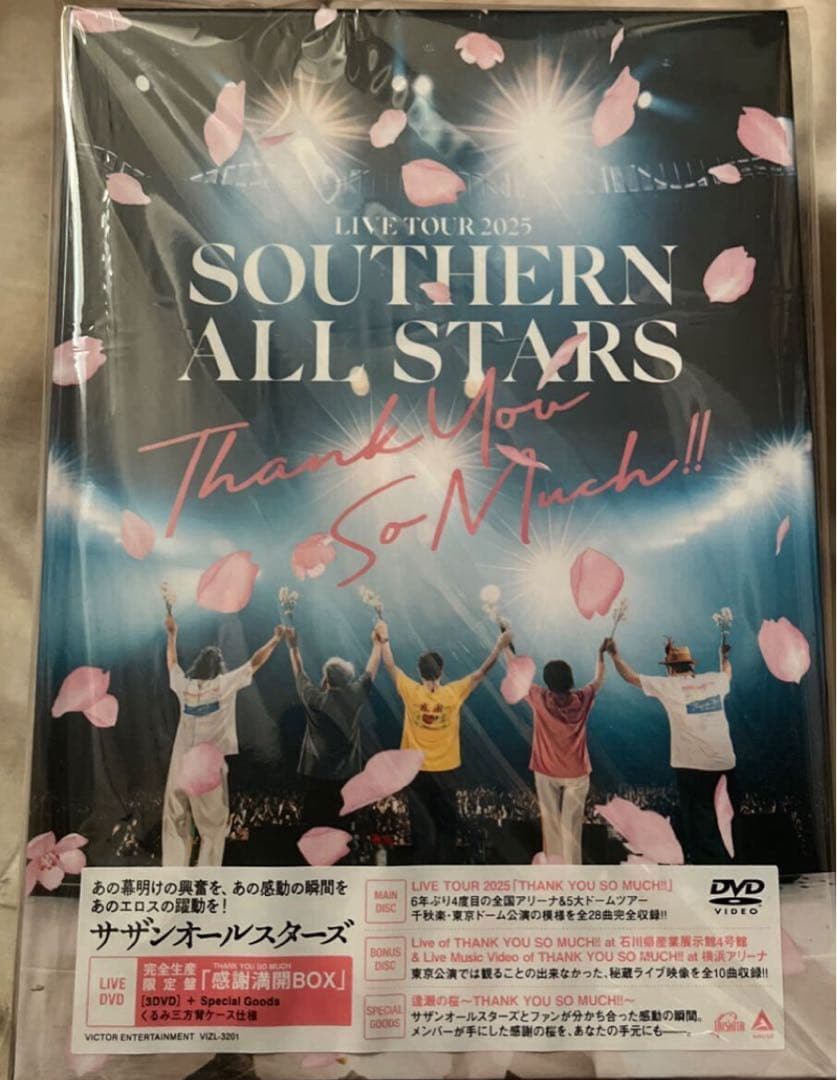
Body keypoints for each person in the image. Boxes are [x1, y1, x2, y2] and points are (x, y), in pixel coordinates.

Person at [375, 619, 512, 863]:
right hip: (447, 772)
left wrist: (384, 638)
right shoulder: (452, 693)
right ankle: (443, 870)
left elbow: (389, 664)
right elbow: (481, 672)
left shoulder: (410, 690)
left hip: (415, 772)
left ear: (419, 672)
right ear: (441, 671)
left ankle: (422, 873)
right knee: (447, 827)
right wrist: (499, 646)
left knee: (421, 827)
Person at [162, 616, 283, 868]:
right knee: (213, 827)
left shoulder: (185, 686)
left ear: (197, 666)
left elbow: (172, 663)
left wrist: (172, 634)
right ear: (219, 667)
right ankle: (207, 877)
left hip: (180, 763)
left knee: (174, 820)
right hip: (206, 765)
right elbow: (254, 663)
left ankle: (172, 876)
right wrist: (275, 639)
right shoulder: (223, 685)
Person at [604, 635, 736, 864]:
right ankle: (730, 863)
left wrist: (614, 655)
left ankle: (707, 867)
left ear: (671, 669)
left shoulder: (670, 686)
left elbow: (630, 677)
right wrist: (722, 656)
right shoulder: (715, 680)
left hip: (692, 766)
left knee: (697, 821)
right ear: (691, 665)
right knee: (724, 818)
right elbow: (727, 672)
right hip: (724, 763)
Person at [505, 639, 607, 863]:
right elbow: (599, 680)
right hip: (577, 772)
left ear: (547, 682)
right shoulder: (582, 698)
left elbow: (516, 672)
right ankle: (572, 872)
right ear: (570, 680)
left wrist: (506, 645)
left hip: (546, 770)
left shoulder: (540, 698)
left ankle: (554, 871)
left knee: (550, 823)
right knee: (571, 827)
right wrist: (601, 655)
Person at [283, 624, 382, 834]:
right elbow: (371, 670)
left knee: (314, 829)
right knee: (343, 830)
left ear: (326, 679)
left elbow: (299, 671)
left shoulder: (314, 698)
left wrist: (293, 646)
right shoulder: (354, 696)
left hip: (316, 775)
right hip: (346, 777)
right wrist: (377, 644)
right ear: (347, 679)